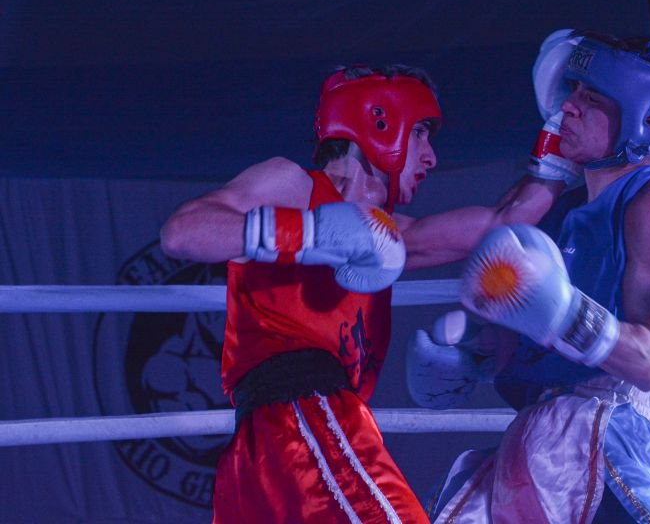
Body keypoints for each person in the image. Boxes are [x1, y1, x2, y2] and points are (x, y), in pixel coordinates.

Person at [160, 64, 561, 523]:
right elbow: (182, 232)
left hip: (268, 449)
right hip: (303, 417)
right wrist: (311, 233)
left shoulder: (388, 238)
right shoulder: (295, 186)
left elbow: (502, 224)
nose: (430, 158)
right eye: (421, 135)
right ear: (381, 123)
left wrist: (560, 148)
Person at [407, 30, 650, 523]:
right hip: (534, 438)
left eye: (589, 98)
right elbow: (538, 334)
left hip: (607, 434)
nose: (566, 108)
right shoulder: (563, 213)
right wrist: (472, 359)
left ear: (643, 115)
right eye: (571, 91)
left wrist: (562, 312)